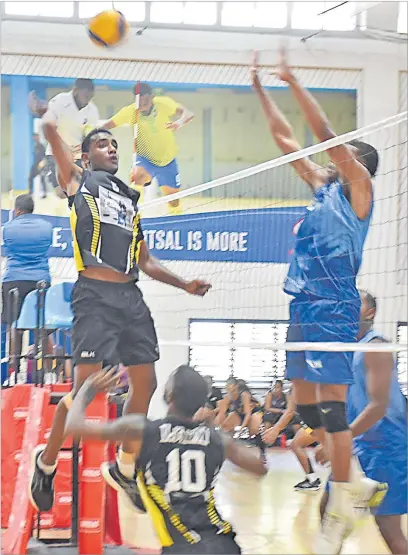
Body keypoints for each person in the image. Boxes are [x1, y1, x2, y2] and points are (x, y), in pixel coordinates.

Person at [28, 109, 211, 514]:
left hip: (131, 298)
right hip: (95, 297)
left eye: (113, 145)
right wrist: (50, 124)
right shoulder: (80, 182)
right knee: (83, 395)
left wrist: (184, 284)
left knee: (146, 383)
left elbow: (145, 260)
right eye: (101, 144)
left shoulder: (130, 200)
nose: (111, 148)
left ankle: (125, 467)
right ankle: (46, 462)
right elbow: (53, 142)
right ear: (86, 156)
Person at [251, 48, 379, 553]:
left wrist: (291, 79)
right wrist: (262, 90)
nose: (330, 159)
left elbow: (326, 133)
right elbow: (287, 140)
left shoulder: (359, 189)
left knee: (330, 405)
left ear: (355, 164)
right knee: (305, 405)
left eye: (342, 157)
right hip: (301, 304)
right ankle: (358, 477)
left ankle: (344, 499)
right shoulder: (322, 190)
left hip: (333, 304)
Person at [65, 365, 267, 554]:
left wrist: (86, 390)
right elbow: (260, 468)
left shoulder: (142, 429)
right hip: (224, 545)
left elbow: (74, 427)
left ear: (169, 395)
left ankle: (124, 473)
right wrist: (213, 432)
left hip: (183, 547)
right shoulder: (218, 440)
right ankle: (123, 474)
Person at [321, 291, 407, 555]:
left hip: (386, 451)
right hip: (357, 447)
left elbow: (377, 407)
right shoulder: (349, 350)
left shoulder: (376, 346)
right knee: (327, 510)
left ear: (369, 313)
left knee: (389, 530)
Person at [103, 83, 194, 215]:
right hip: (145, 159)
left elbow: (189, 113)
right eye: (139, 100)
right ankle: (133, 218)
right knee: (137, 178)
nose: (142, 104)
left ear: (152, 97)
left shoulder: (163, 104)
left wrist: (178, 123)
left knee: (174, 202)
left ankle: (176, 223)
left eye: (145, 100)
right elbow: (107, 125)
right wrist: (87, 140)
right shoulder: (130, 112)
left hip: (167, 161)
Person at [1, 194, 53, 377]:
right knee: (44, 328)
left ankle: (14, 372)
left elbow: (8, 249)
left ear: (17, 210)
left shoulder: (7, 228)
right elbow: (47, 246)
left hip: (13, 279)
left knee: (15, 326)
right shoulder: (47, 227)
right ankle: (50, 372)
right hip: (40, 280)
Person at [29, 78, 100, 199]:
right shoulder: (60, 101)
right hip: (55, 153)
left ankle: (78, 211)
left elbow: (91, 136)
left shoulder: (92, 111)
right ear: (76, 90)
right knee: (61, 193)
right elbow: (48, 128)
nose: (88, 98)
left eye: (91, 94)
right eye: (86, 93)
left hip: (77, 156)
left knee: (79, 191)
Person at [216, 377, 266, 463]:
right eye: (228, 389)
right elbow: (221, 411)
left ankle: (262, 453)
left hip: (253, 412)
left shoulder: (244, 394)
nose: (231, 391)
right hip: (239, 413)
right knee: (225, 426)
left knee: (254, 429)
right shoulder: (228, 397)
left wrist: (242, 428)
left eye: (233, 389)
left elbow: (248, 414)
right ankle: (228, 451)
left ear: (236, 387)